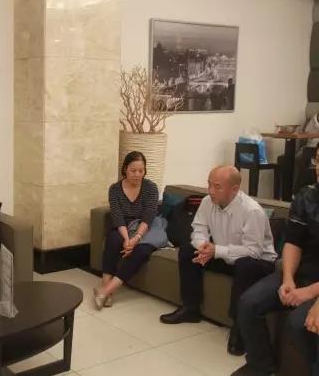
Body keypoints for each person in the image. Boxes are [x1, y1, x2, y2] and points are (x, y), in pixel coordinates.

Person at [160, 166, 277, 356]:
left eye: (217, 186)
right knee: (188, 251)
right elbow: (198, 230)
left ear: (234, 189)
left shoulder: (252, 211)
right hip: (223, 254)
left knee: (245, 265)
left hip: (258, 263)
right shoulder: (208, 202)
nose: (211, 191)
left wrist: (216, 250)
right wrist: (204, 247)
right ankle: (190, 308)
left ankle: (240, 327)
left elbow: (253, 251)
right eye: (209, 185)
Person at [232, 174, 319, 375]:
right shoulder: (307, 196)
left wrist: (311, 292)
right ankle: (260, 365)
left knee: (301, 323)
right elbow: (294, 241)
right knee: (248, 303)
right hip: (303, 272)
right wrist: (288, 278)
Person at [93, 151, 166, 309]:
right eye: (133, 170)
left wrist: (136, 238)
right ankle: (106, 285)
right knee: (114, 240)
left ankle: (106, 291)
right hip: (124, 227)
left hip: (146, 227)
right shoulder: (115, 189)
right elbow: (117, 217)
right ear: (125, 169)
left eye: (141, 170)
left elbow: (148, 216)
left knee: (142, 250)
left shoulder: (151, 188)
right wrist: (127, 239)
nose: (137, 174)